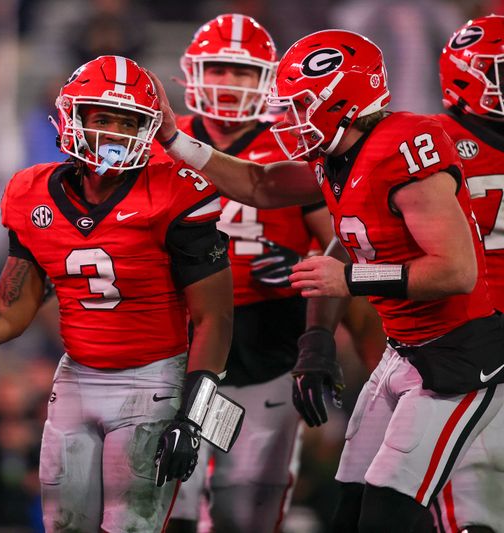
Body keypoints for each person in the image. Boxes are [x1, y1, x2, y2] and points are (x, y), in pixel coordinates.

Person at [151, 29, 504, 532]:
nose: (288, 120)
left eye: (300, 106)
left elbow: (456, 270)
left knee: (389, 509)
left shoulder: (403, 146)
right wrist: (172, 139)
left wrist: (351, 278)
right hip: (405, 350)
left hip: (458, 356)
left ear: (342, 102)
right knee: (351, 505)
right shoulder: (335, 155)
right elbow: (260, 184)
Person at [0, 55, 234, 533]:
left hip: (152, 382)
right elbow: (10, 309)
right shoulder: (31, 192)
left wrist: (195, 415)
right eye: (103, 118)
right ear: (73, 117)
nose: (114, 134)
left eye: (129, 122)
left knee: (131, 528)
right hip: (76, 378)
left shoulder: (175, 191)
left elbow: (216, 320)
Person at [156, 14, 334, 533]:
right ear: (193, 72)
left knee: (247, 506)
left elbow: (341, 240)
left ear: (267, 79)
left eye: (242, 71)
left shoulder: (292, 142)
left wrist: (304, 268)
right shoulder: (162, 142)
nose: (229, 83)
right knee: (173, 500)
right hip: (179, 348)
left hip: (266, 350)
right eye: (219, 68)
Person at [429, 15, 504, 533]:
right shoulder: (430, 141)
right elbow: (352, 239)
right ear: (468, 76)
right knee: (472, 509)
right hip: (466, 346)